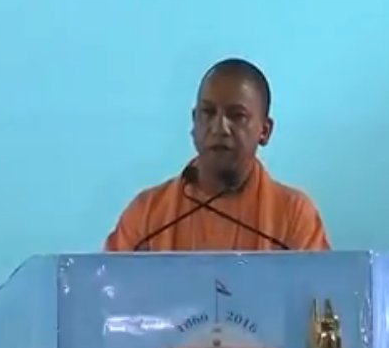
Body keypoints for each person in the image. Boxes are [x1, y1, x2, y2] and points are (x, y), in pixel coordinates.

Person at [104, 57, 331, 251]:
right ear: (194, 122)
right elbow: (106, 285)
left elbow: (319, 287)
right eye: (208, 112)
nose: (219, 127)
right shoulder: (146, 214)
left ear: (264, 131)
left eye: (237, 116)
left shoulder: (294, 216)